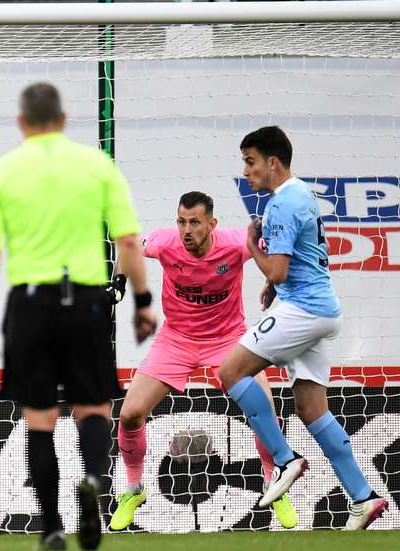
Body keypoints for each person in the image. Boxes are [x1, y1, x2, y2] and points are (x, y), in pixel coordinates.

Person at [0, 82, 156, 551]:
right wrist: (141, 301)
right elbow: (128, 241)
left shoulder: (2, 172)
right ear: (64, 119)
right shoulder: (96, 166)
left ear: (21, 122)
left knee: (40, 419)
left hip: (30, 305)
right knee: (92, 408)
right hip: (87, 302)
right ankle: (92, 478)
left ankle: (52, 527)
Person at [218, 126, 389, 530]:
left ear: (273, 162)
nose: (246, 171)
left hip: (305, 309)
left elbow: (277, 269)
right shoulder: (302, 194)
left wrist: (252, 247)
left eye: (250, 161)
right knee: (311, 409)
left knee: (230, 372)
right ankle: (363, 496)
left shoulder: (282, 203)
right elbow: (300, 260)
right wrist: (275, 286)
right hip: (319, 307)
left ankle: (284, 459)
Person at [108, 191, 297, 531]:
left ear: (212, 224)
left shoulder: (236, 243)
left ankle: (273, 483)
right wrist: (118, 283)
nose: (186, 230)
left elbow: (277, 254)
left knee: (265, 411)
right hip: (176, 339)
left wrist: (272, 282)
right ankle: (134, 490)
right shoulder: (166, 242)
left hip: (228, 339)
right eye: (181, 222)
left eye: (194, 222)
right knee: (130, 414)